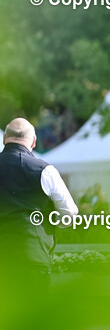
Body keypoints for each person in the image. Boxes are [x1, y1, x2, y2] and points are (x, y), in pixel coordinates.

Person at [0, 118, 78, 301]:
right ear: (34, 141)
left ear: (5, 139)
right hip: (32, 258)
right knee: (32, 325)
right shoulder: (45, 171)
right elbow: (70, 214)